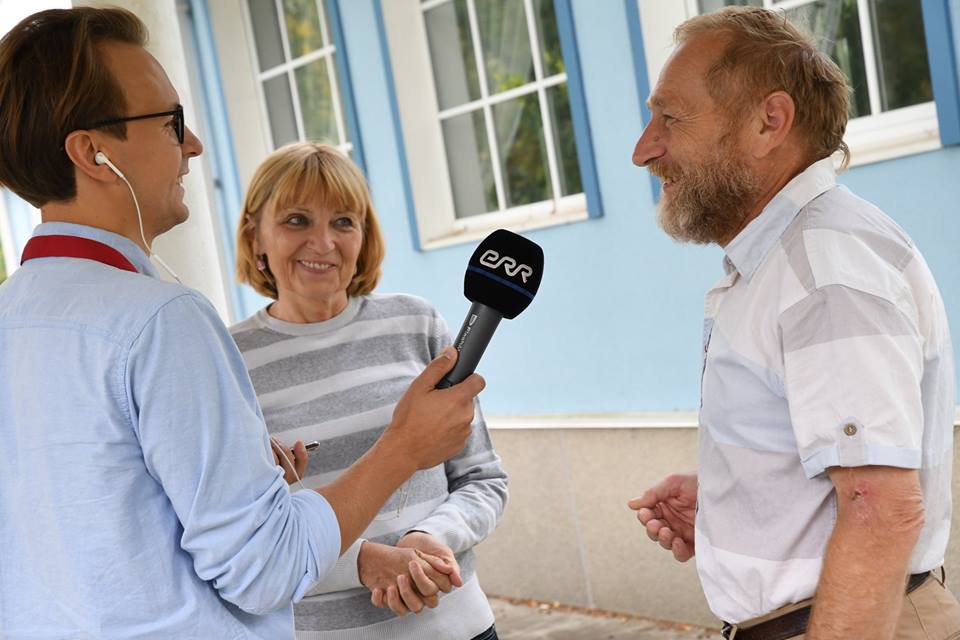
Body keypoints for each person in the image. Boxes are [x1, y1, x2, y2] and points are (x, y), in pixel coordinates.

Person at [0, 8, 483, 639]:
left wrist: (251, 487)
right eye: (171, 122)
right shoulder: (161, 321)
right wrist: (404, 448)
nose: (193, 145)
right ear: (94, 152)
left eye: (344, 221)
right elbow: (263, 570)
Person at [626, 6, 958, 640]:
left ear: (769, 122)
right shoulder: (790, 258)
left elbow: (881, 509)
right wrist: (746, 502)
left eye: (670, 118)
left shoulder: (823, 270)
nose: (645, 150)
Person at [229, 141, 507, 640]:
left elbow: (483, 479)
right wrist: (359, 562)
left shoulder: (415, 322)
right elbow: (239, 541)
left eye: (343, 222)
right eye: (297, 220)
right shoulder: (228, 361)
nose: (323, 243)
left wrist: (429, 538)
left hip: (460, 628)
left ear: (364, 235)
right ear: (255, 236)